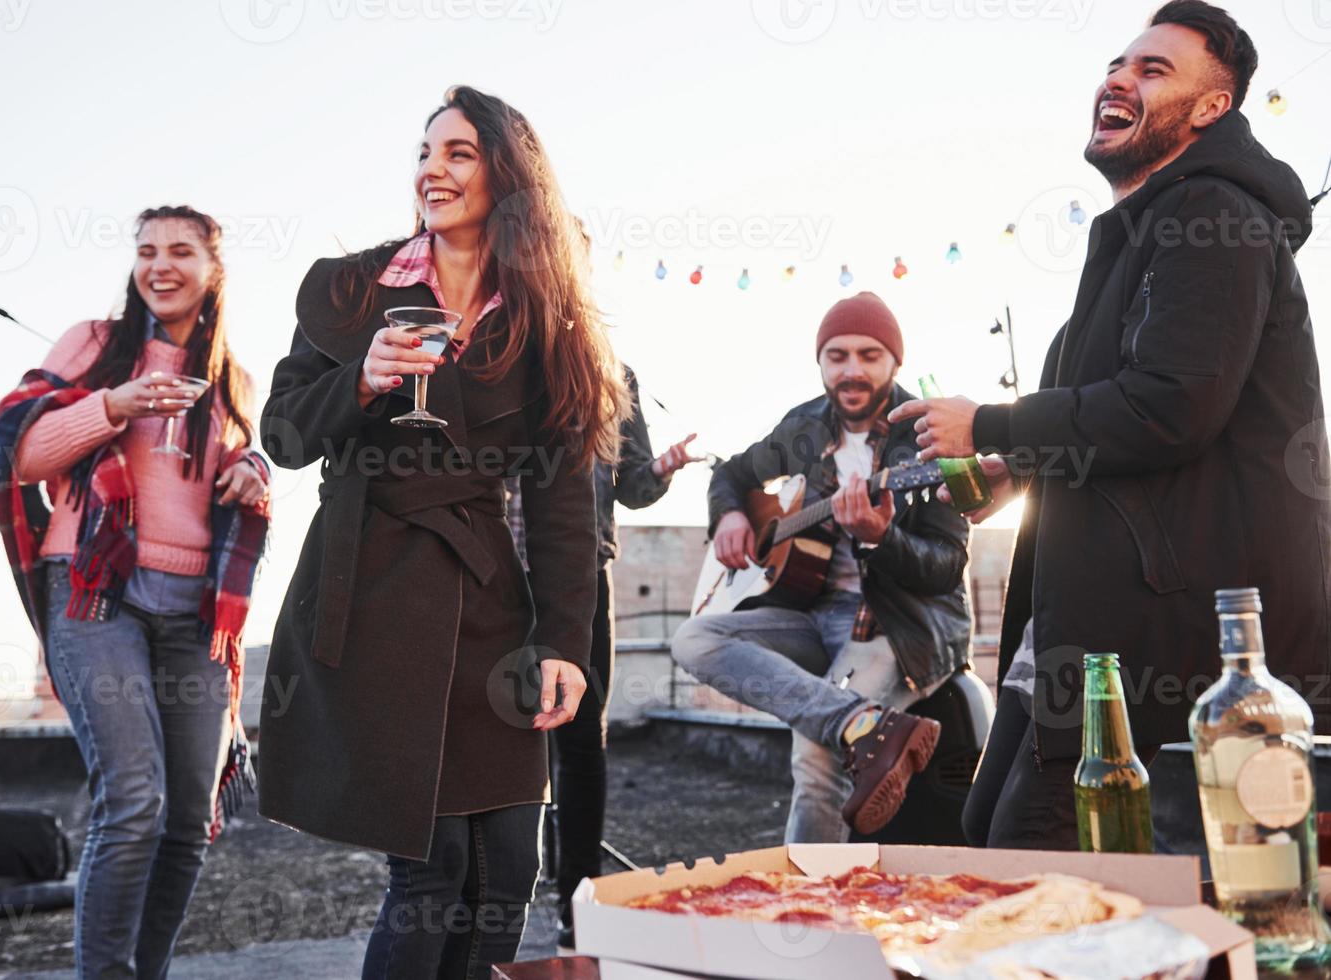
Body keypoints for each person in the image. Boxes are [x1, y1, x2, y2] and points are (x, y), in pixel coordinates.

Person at [891, 0, 1329, 850]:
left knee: (1044, 867)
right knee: (988, 832)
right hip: (1079, 621)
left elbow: (1171, 407)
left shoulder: (1213, 215)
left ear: (1212, 108)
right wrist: (1024, 470)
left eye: (1153, 69)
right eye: (1116, 65)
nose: (1119, 79)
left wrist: (990, 422)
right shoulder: (1148, 229)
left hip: (1161, 634)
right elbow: (1138, 415)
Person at [255, 86, 629, 980]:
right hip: (373, 589)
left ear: (508, 172)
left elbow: (564, 505)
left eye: (458, 153)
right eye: (425, 152)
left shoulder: (547, 318)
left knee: (509, 863)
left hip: (492, 603)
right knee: (432, 870)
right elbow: (283, 436)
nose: (432, 169)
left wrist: (564, 643)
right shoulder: (348, 289)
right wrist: (359, 380)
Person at [0, 205, 272, 980]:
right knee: (134, 800)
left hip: (195, 616)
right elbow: (20, 456)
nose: (160, 265)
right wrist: (111, 405)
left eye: (181, 251)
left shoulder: (231, 378)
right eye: (146, 251)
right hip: (94, 593)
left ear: (214, 270)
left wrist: (252, 474)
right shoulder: (93, 344)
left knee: (184, 821)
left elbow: (231, 483)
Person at [671, 292, 970, 841]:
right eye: (837, 356)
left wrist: (881, 541)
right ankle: (861, 725)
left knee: (815, 756)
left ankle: (808, 906)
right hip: (810, 612)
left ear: (894, 362)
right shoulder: (803, 426)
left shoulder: (929, 437)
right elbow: (731, 475)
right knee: (694, 639)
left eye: (868, 355)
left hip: (899, 622)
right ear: (821, 362)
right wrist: (732, 517)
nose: (852, 370)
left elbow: (945, 569)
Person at [504, 365, 702, 948]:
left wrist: (662, 467)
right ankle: (507, 891)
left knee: (583, 745)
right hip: (500, 571)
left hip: (584, 573)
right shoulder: (497, 342)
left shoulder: (615, 373)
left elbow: (633, 485)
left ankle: (576, 905)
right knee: (511, 740)